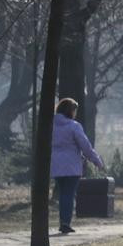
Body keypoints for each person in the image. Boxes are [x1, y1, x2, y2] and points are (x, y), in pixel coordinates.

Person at [50, 97, 106, 234]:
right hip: (71, 166)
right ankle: (65, 223)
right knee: (69, 194)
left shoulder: (51, 125)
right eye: (74, 110)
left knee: (63, 194)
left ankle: (63, 220)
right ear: (70, 111)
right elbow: (85, 147)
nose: (75, 113)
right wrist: (97, 161)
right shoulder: (74, 126)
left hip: (56, 165)